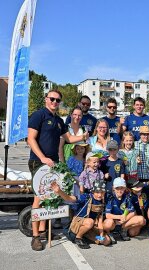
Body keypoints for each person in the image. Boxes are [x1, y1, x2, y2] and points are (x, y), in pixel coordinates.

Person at [27, 89, 88, 251]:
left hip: (52, 164)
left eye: (57, 100)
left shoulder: (59, 120)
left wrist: (82, 137)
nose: (55, 102)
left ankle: (42, 231)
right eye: (52, 99)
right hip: (39, 163)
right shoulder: (38, 115)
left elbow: (68, 138)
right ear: (46, 99)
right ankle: (35, 237)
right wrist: (42, 158)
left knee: (49, 198)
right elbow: (30, 139)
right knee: (38, 199)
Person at [51, 180, 111, 249]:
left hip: (89, 229)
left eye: (102, 192)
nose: (100, 195)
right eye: (97, 192)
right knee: (90, 221)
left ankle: (86, 237)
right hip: (76, 226)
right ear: (93, 191)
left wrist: (101, 235)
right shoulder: (86, 197)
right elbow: (69, 198)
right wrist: (59, 191)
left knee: (106, 241)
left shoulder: (101, 202)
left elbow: (100, 221)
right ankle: (78, 238)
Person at [104, 177, 146, 242]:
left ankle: (123, 229)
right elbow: (108, 215)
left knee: (141, 220)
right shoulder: (110, 198)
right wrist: (120, 217)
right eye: (117, 188)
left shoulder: (127, 197)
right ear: (113, 188)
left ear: (125, 188)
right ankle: (109, 233)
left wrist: (124, 218)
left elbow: (133, 212)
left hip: (124, 221)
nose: (119, 190)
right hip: (114, 221)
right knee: (108, 223)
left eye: (122, 188)